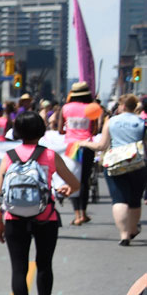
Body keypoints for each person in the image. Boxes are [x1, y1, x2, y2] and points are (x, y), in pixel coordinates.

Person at [0, 111, 82, 295]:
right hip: (46, 217)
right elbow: (75, 184)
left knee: (19, 268)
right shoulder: (50, 156)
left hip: (15, 219)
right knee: (44, 264)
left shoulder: (9, 157)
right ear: (41, 131)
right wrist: (65, 189)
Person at [79, 94, 145, 245]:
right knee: (135, 200)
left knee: (119, 199)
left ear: (121, 106)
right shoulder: (141, 121)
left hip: (116, 163)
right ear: (135, 107)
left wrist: (85, 143)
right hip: (137, 163)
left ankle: (124, 235)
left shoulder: (112, 121)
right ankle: (133, 229)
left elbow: (101, 146)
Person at [62, 81, 97, 226]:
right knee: (84, 180)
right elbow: (95, 129)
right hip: (86, 145)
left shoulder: (66, 108)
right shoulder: (92, 108)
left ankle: (76, 215)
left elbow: (60, 129)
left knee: (72, 178)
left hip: (71, 146)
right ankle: (83, 212)